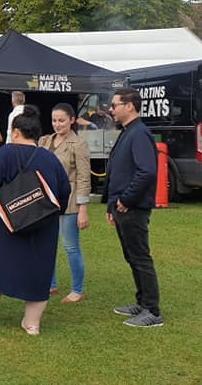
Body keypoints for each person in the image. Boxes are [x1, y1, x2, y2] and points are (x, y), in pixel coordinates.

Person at [0, 105, 71, 335]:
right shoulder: (49, 158)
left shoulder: (6, 153)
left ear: (15, 132)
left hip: (5, 221)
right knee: (39, 272)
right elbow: (65, 189)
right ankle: (32, 323)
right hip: (43, 222)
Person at [104, 88, 163, 328]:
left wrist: (126, 200)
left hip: (133, 208)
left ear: (130, 106)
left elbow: (147, 172)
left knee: (140, 257)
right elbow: (119, 170)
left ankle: (153, 311)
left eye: (115, 105)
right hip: (122, 207)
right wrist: (111, 204)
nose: (111, 109)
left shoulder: (139, 133)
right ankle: (142, 302)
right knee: (132, 256)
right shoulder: (128, 132)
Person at [39, 103, 91, 303]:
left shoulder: (78, 145)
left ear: (72, 120)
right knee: (48, 244)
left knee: (70, 246)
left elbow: (84, 178)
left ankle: (77, 290)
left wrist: (83, 209)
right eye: (54, 120)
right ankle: (50, 284)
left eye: (61, 120)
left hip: (69, 201)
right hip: (47, 201)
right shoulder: (45, 141)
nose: (57, 124)